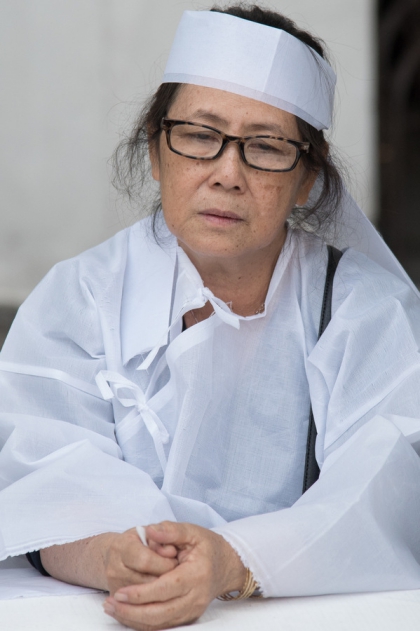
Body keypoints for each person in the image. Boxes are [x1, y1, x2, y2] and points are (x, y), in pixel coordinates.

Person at [1, 4, 420, 630]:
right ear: (156, 150)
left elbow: (385, 496)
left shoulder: (365, 313)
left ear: (308, 177)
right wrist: (115, 557)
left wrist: (233, 561)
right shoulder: (80, 297)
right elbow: (36, 481)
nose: (228, 174)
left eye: (267, 147)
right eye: (199, 136)